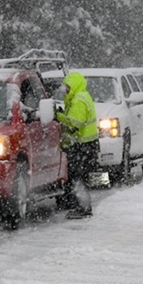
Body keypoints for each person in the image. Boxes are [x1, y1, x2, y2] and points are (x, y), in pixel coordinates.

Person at [55, 71, 98, 218]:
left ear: (74, 85)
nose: (65, 89)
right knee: (79, 177)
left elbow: (74, 125)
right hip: (85, 146)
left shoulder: (78, 100)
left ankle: (84, 209)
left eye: (68, 86)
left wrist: (59, 117)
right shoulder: (80, 97)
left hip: (83, 147)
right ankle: (80, 206)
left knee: (79, 178)